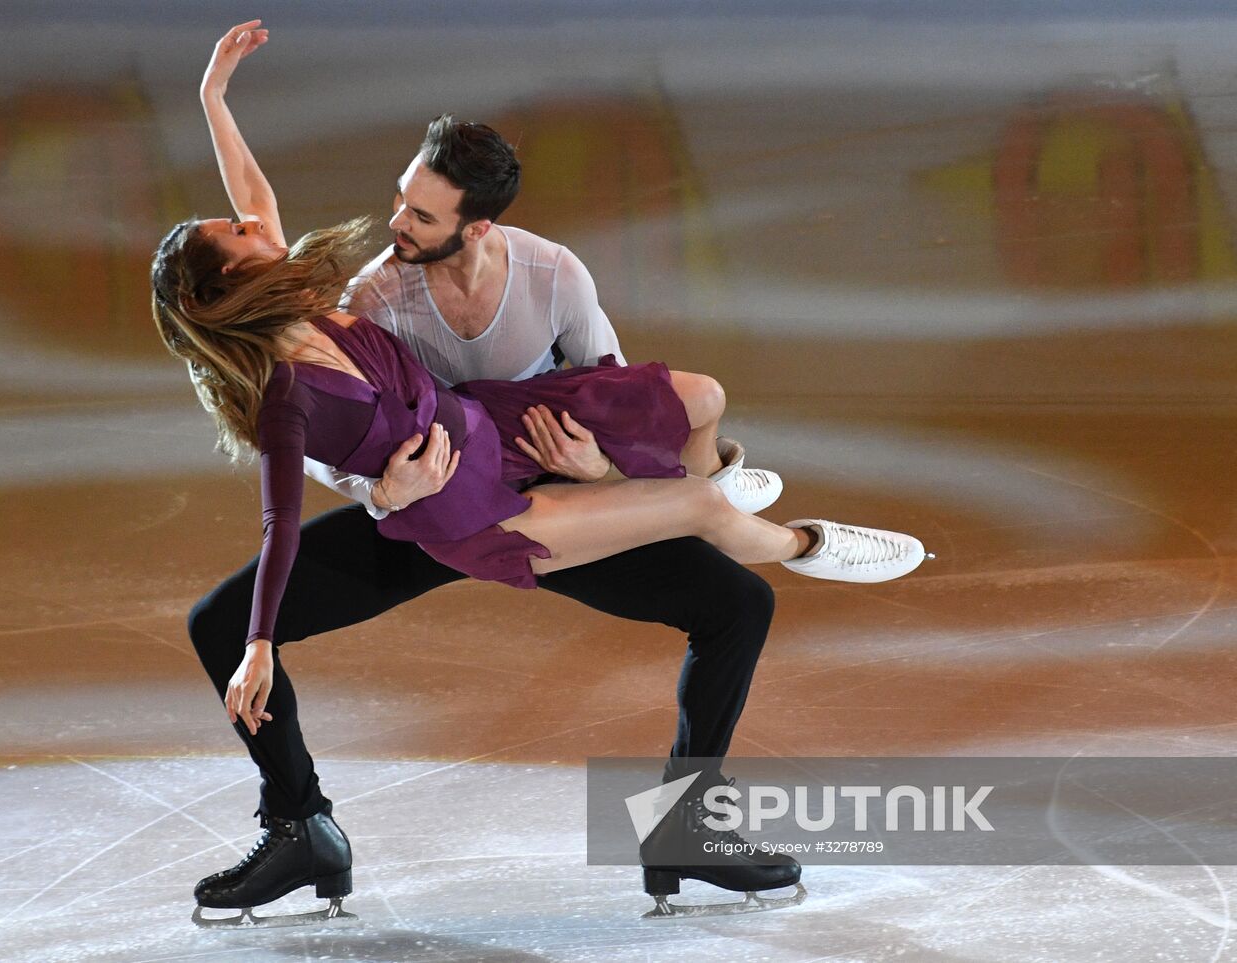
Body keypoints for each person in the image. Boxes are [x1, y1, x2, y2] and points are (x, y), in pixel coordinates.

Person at [160, 21, 928, 924]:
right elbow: (319, 460)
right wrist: (382, 493)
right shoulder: (370, 295)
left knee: (736, 601)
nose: (396, 224)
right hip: (436, 510)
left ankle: (686, 823)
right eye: (401, 204)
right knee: (222, 625)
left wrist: (601, 472)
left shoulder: (550, 274)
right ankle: (301, 827)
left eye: (421, 214)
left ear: (477, 224)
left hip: (526, 461)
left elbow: (610, 388)